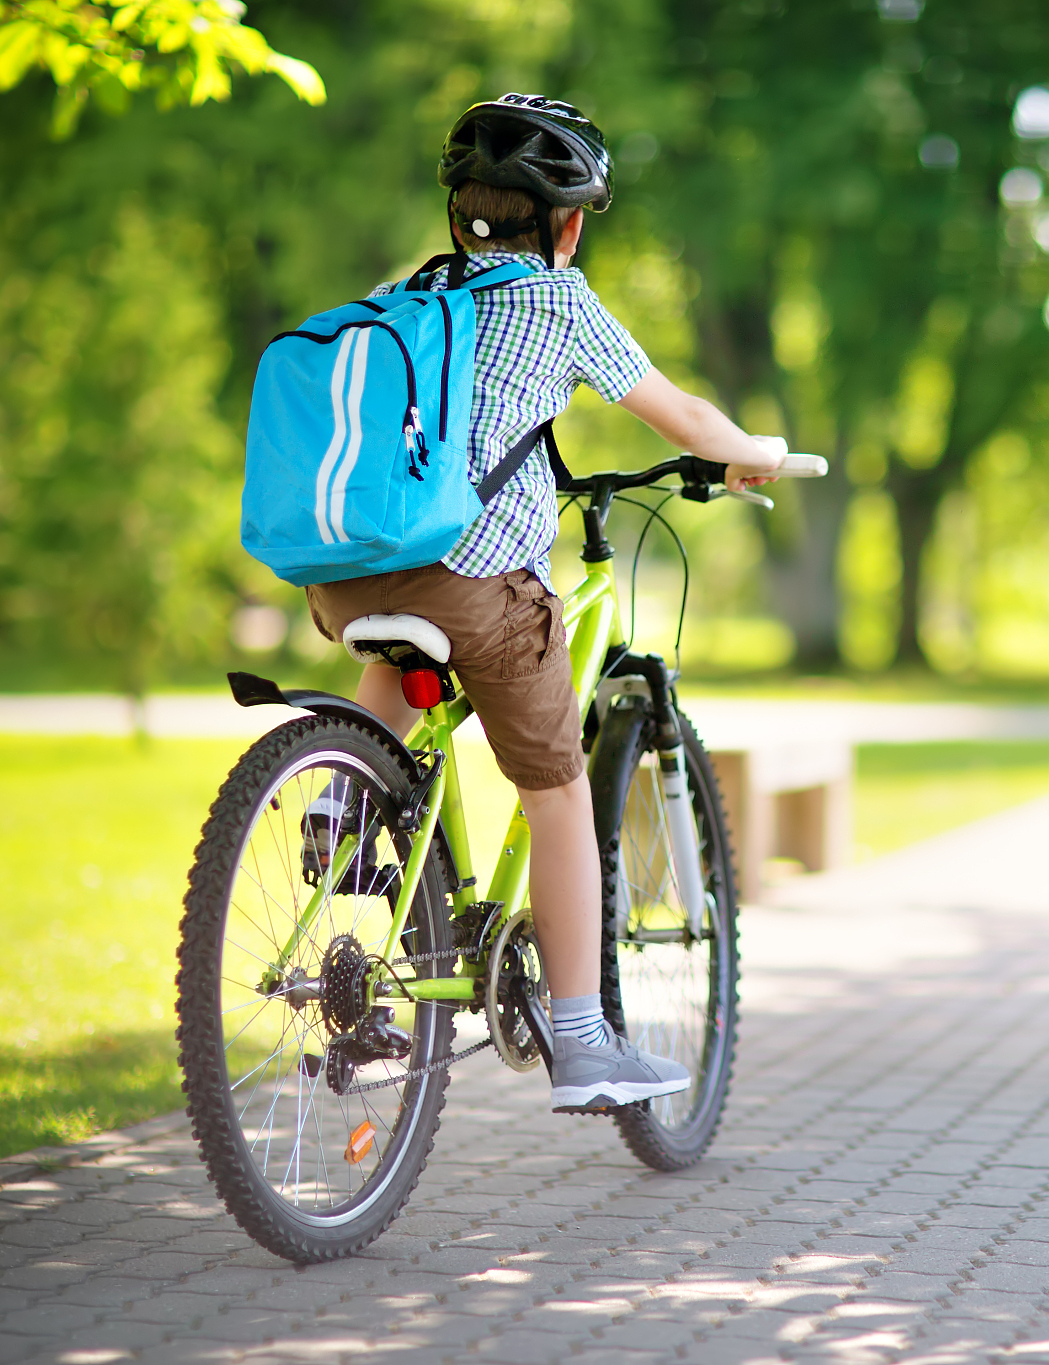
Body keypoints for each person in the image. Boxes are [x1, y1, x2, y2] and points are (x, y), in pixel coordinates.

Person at [300, 94, 787, 1107]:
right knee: (558, 794)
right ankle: (582, 1041)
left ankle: (335, 796)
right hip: (480, 588)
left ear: (456, 218)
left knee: (399, 652)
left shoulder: (407, 293)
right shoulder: (558, 303)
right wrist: (752, 454)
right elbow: (681, 413)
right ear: (566, 225)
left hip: (346, 582)